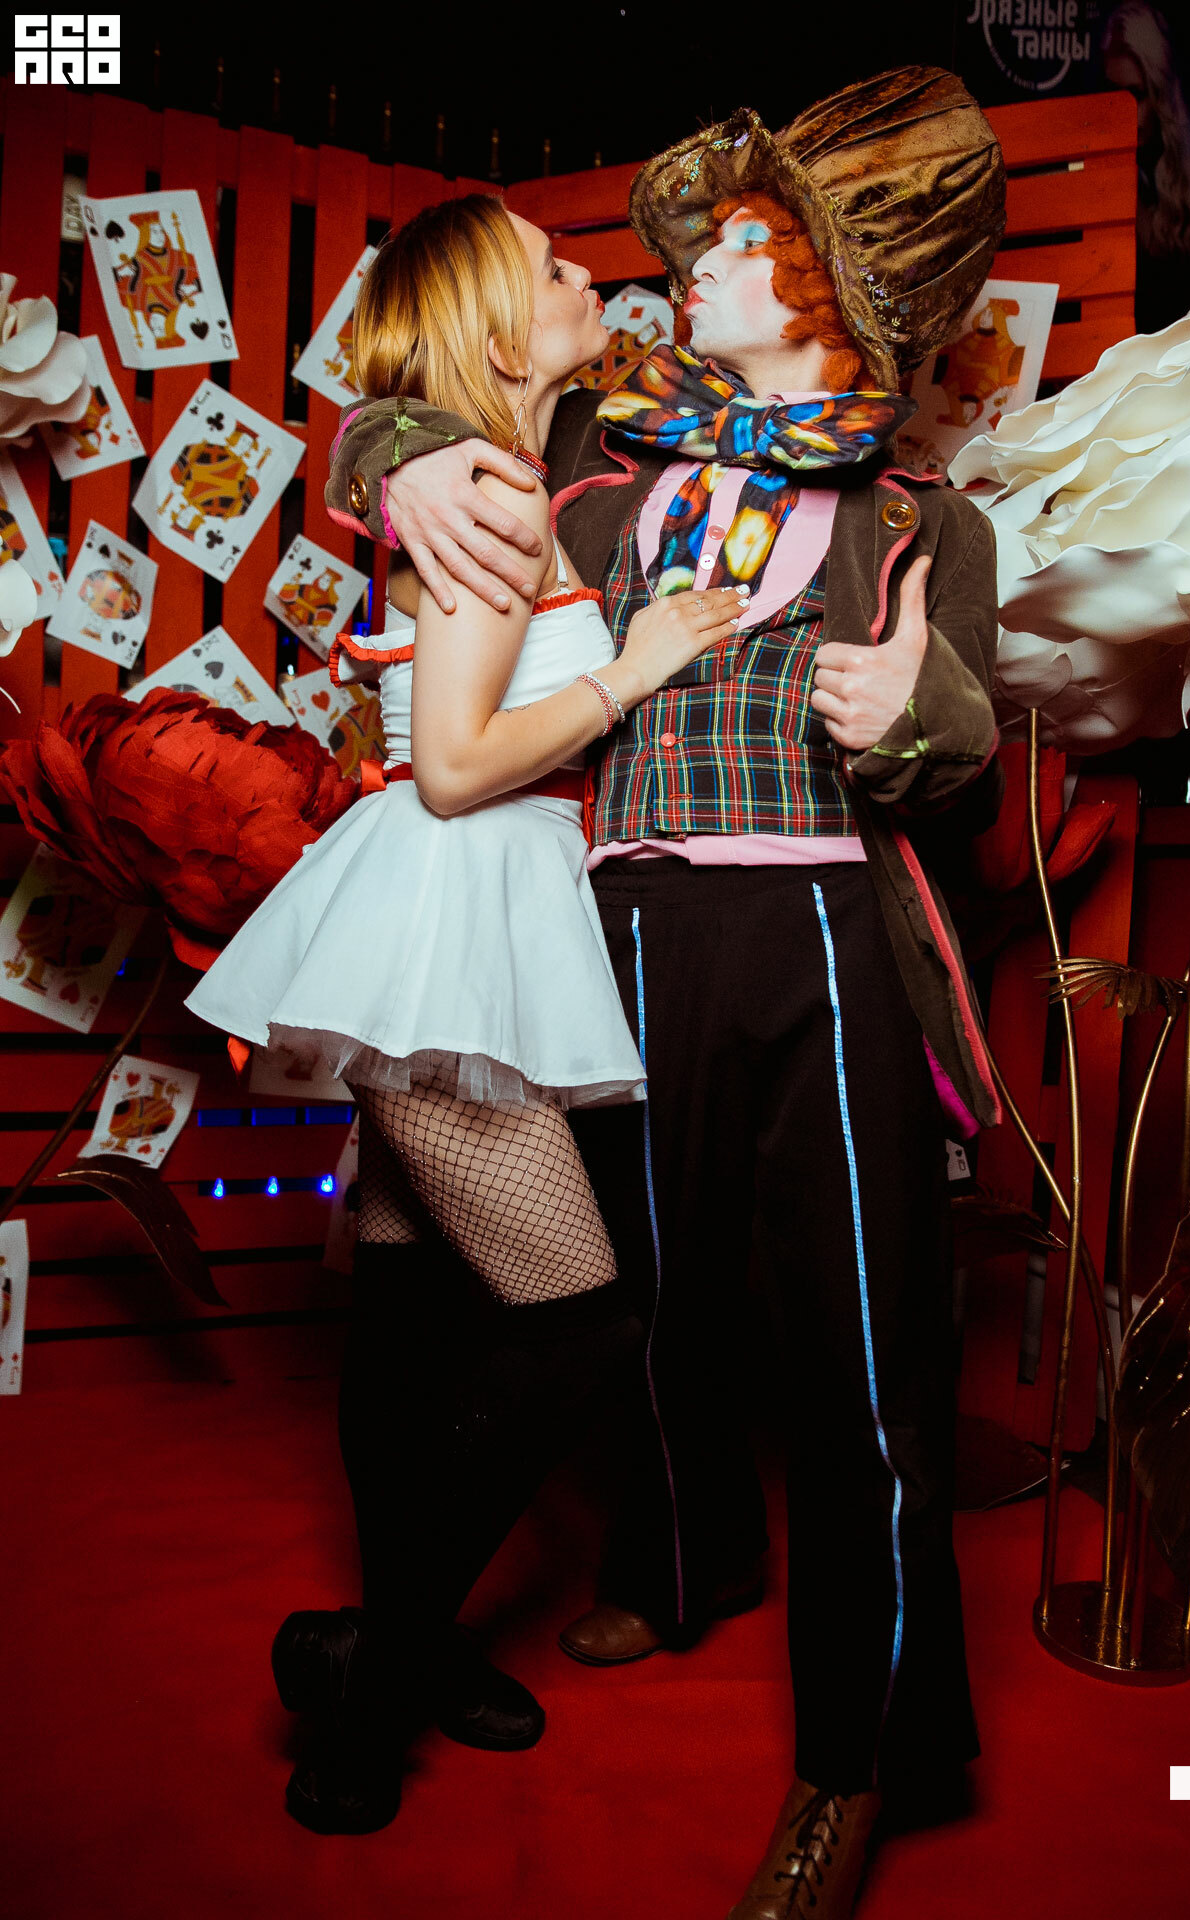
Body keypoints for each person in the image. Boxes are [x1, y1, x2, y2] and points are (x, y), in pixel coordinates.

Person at [328, 67, 1005, 1915]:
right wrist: (401, 459)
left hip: (825, 934)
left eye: (745, 240)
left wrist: (918, 716)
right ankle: (681, 1561)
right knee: (644, 1297)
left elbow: (970, 751)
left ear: (829, 290)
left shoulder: (930, 519)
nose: (690, 260)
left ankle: (860, 1757)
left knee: (865, 1362)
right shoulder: (601, 456)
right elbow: (398, 407)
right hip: (616, 931)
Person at [185, 193, 746, 1834]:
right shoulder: (488, 484)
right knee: (577, 1324)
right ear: (499, 327)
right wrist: (637, 667)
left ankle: (392, 1653)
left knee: (420, 1315)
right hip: (451, 912)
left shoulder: (487, 464)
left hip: (463, 921)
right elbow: (448, 767)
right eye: (557, 268)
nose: (594, 277)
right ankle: (381, 1672)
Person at [1102, 0, 1190, 332]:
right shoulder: (1101, 169)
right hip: (1111, 351)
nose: (1126, 113)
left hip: (1189, 353)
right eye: (1115, 96)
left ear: (1159, 90)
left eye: (1137, 95)